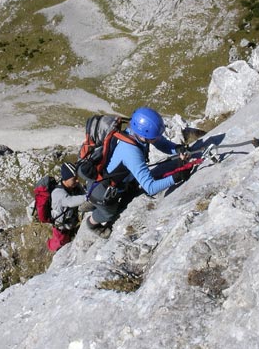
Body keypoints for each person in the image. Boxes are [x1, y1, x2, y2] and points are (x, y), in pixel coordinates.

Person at [85, 107, 190, 238]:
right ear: (143, 135)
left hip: (106, 180)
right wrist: (176, 177)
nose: (157, 138)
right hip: (102, 190)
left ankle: (91, 203)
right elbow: (150, 187)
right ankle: (91, 223)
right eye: (154, 137)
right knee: (109, 214)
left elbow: (161, 143)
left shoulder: (133, 133)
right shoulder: (131, 151)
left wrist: (177, 148)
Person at [48, 162, 92, 251]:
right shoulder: (58, 193)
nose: (77, 180)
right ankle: (51, 248)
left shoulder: (74, 186)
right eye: (74, 178)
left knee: (68, 237)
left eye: (77, 178)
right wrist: (86, 197)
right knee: (60, 242)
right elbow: (70, 201)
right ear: (66, 179)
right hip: (61, 226)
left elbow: (83, 192)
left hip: (69, 221)